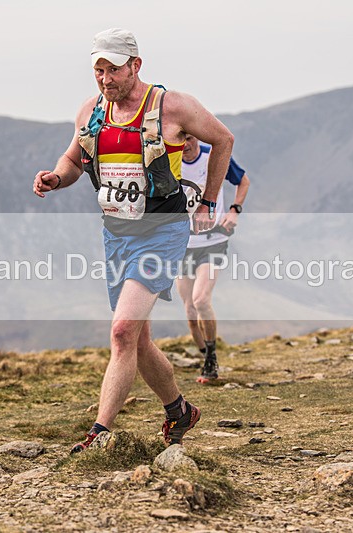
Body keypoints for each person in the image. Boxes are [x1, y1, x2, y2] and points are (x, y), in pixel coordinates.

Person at [33, 28, 234, 453]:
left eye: (114, 69)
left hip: (163, 231)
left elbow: (224, 139)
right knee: (138, 340)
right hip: (117, 234)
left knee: (122, 331)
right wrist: (56, 178)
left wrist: (209, 201)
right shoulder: (91, 112)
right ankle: (179, 409)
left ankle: (99, 435)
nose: (106, 79)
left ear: (136, 66)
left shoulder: (173, 106)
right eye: (98, 70)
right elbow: (73, 159)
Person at [175, 135, 250, 383]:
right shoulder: (168, 157)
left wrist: (234, 211)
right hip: (182, 244)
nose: (186, 144)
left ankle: (211, 361)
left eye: (189, 138)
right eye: (180, 139)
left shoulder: (212, 154)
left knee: (201, 300)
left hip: (213, 240)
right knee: (189, 312)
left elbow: (243, 182)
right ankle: (205, 354)